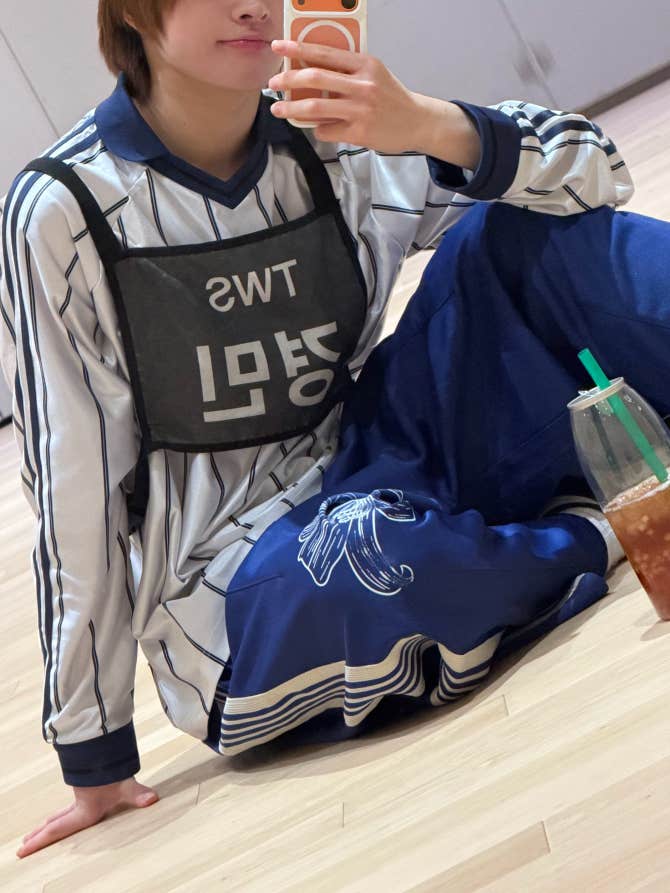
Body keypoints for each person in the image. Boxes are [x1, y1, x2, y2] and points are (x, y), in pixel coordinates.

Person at [1, 0, 665, 860]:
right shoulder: (64, 211)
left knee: (522, 230)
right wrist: (92, 743)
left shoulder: (331, 127)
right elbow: (72, 478)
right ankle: (600, 526)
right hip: (238, 580)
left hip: (383, 452)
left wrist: (429, 124)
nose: (251, 4)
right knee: (372, 557)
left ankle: (521, 530)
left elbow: (599, 173)